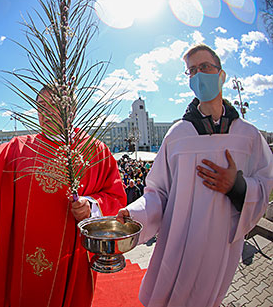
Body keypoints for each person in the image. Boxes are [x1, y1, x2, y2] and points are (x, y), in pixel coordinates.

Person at [0, 87, 127, 307]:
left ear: (73, 109)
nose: (47, 112)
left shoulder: (94, 151)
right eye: (41, 106)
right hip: (21, 260)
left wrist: (91, 206)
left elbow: (115, 196)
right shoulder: (19, 148)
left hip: (71, 260)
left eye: (55, 106)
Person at [116, 44, 273, 307]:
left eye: (205, 67)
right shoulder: (178, 135)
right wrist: (135, 215)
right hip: (177, 246)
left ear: (221, 75)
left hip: (219, 247)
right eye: (192, 71)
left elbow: (266, 181)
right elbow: (158, 192)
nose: (198, 75)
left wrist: (237, 187)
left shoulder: (247, 136)